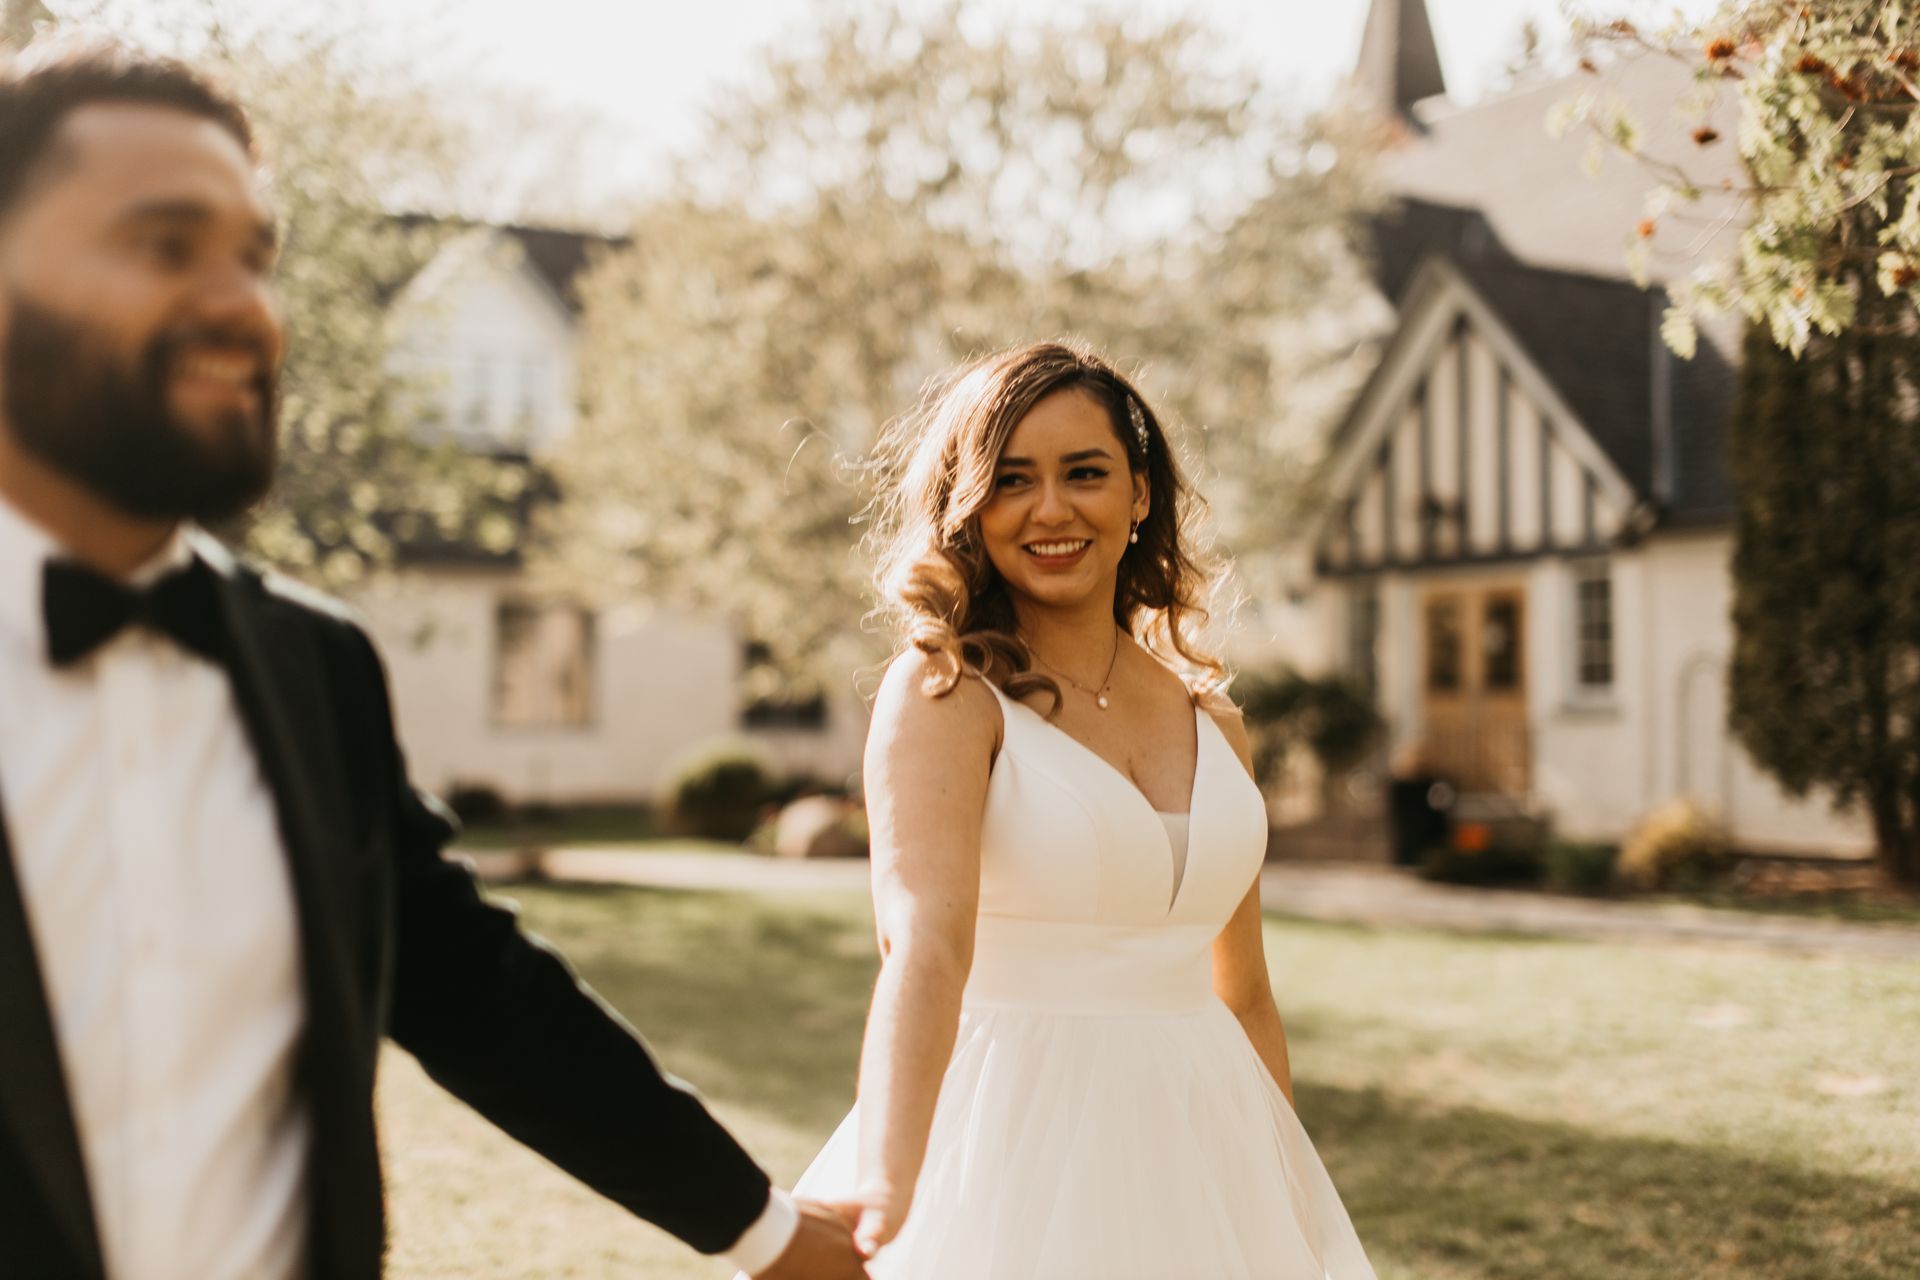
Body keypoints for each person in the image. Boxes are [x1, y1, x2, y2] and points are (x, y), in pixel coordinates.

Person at [0, 38, 864, 1280]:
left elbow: (478, 992)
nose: (242, 302)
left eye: (255, 257)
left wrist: (772, 1235)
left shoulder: (314, 668)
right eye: (163, 244)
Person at [790, 342, 1379, 1277]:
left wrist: (1285, 1193)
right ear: (969, 505)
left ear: (1139, 494)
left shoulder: (1216, 723)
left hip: (1208, 1141)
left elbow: (1248, 992)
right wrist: (887, 1185)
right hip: (1012, 1136)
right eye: (1012, 479)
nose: (1051, 509)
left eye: (1085, 473)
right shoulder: (947, 694)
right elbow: (924, 949)